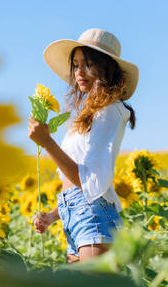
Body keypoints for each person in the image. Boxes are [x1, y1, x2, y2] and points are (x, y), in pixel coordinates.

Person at [28, 28, 139, 263]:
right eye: (76, 65)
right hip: (75, 216)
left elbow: (91, 182)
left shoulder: (109, 112)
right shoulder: (91, 113)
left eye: (88, 64)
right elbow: (80, 188)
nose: (79, 72)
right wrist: (52, 216)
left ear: (105, 68)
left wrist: (47, 142)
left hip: (92, 217)